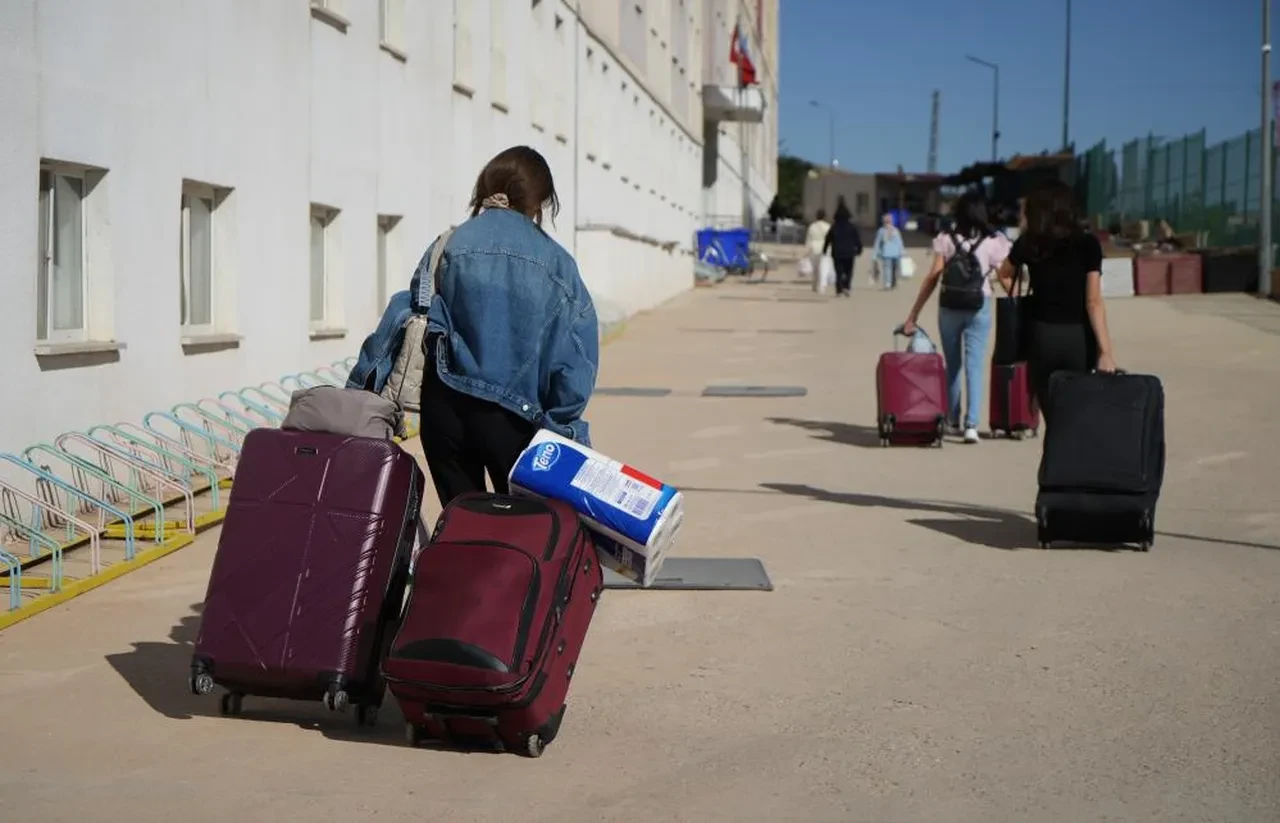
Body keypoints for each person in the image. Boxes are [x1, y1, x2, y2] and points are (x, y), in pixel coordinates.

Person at [413, 145, 599, 507]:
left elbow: (410, 314)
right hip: (513, 420)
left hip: (443, 410)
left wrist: (364, 385)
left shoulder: (447, 243)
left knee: (462, 526)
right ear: (541, 202)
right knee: (525, 530)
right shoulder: (557, 263)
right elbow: (575, 356)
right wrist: (561, 424)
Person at [993, 180, 1118, 425]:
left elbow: (1004, 273)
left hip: (1041, 336)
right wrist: (1106, 352)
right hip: (1078, 339)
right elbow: (1093, 301)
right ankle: (1074, 460)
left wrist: (1021, 296)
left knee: (1052, 417)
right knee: (1077, 414)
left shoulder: (1030, 242)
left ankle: (1054, 460)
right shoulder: (1088, 244)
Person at [901, 192, 1011, 444]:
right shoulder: (993, 242)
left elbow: (933, 276)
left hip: (948, 306)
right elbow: (1005, 278)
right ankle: (971, 426)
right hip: (979, 306)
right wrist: (1020, 300)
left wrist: (914, 314)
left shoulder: (945, 239)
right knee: (974, 365)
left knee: (953, 364)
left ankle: (952, 419)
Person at [823, 197, 863, 297]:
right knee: (849, 270)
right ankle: (847, 286)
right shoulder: (852, 227)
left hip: (837, 252)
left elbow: (828, 239)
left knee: (839, 271)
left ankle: (839, 289)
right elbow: (857, 239)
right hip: (849, 253)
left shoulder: (834, 227)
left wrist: (824, 250)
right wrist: (859, 249)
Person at [873, 213, 905, 290]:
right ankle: (889, 283)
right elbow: (877, 243)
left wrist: (902, 251)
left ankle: (890, 282)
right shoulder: (884, 231)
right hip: (890, 253)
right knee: (890, 268)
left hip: (892, 253)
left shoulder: (891, 230)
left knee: (891, 269)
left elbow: (899, 242)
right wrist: (874, 255)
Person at [804, 208, 832, 285]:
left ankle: (815, 282)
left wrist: (807, 249)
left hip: (814, 247)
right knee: (824, 266)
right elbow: (830, 239)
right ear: (825, 216)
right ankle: (823, 283)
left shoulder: (812, 226)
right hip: (825, 247)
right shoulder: (828, 226)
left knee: (815, 267)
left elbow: (809, 238)